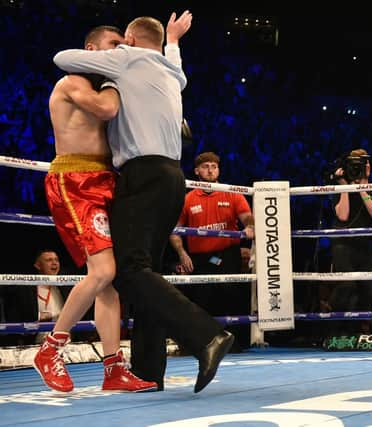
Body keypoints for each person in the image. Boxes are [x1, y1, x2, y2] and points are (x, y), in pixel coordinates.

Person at [52, 11, 234, 393]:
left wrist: (111, 60)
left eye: (122, 43)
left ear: (130, 42)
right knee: (145, 272)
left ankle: (206, 336)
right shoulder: (172, 73)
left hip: (143, 175)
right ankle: (150, 371)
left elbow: (61, 58)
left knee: (130, 271)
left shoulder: (126, 60)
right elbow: (174, 62)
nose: (117, 48)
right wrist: (173, 40)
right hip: (172, 177)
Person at [33, 25, 157, 393]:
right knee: (103, 272)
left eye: (124, 46)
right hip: (74, 180)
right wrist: (121, 81)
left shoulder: (100, 85)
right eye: (113, 45)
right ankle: (51, 349)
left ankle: (113, 369)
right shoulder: (72, 83)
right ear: (91, 48)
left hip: (104, 180)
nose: (120, 51)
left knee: (109, 285)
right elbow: (106, 108)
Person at [169, 151, 254, 349]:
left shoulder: (232, 192)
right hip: (199, 258)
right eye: (206, 166)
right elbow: (174, 230)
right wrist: (182, 253)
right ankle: (204, 345)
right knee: (201, 301)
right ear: (197, 170)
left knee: (231, 296)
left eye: (214, 166)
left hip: (227, 255)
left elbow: (247, 216)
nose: (210, 170)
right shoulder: (188, 198)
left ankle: (235, 342)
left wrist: (250, 226)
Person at [330, 148, 372, 313]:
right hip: (343, 245)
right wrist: (345, 187)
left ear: (368, 166)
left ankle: (361, 331)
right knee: (347, 285)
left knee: (368, 290)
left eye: (361, 163)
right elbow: (343, 215)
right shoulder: (340, 187)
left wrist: (362, 189)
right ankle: (334, 323)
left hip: (364, 245)